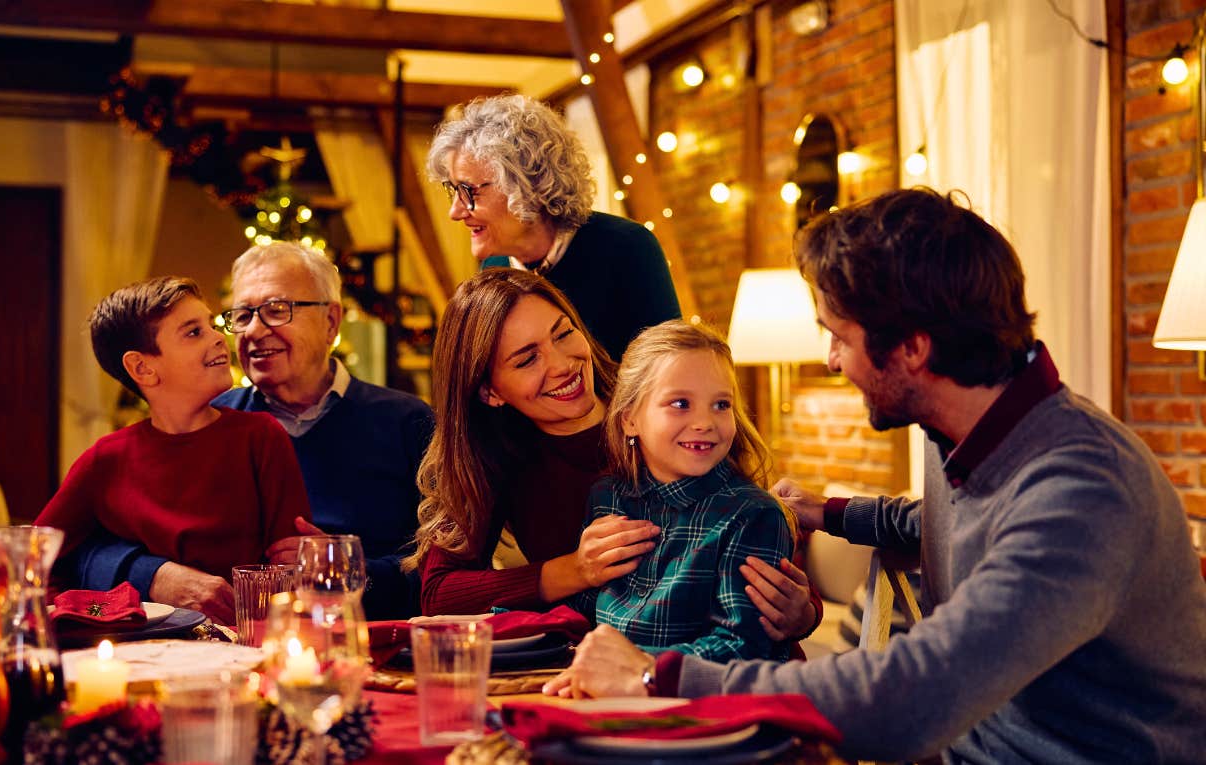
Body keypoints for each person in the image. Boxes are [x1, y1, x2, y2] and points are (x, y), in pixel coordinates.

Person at [545, 188, 1206, 763]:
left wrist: (660, 679)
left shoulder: (1083, 489)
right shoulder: (975, 433)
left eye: (838, 335)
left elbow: (913, 697)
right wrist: (826, 512)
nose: (832, 360)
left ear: (912, 347)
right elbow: (936, 519)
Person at [405, 269, 818, 649]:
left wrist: (807, 609)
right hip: (615, 672)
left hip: (716, 673)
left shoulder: (670, 405)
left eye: (563, 333)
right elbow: (440, 593)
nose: (564, 364)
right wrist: (575, 571)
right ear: (490, 392)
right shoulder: (496, 455)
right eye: (528, 359)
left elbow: (747, 529)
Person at [71, 243, 433, 620]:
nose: (254, 331)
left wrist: (351, 571)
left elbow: (449, 573)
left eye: (277, 310)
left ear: (331, 322)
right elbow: (79, 550)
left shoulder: (407, 422)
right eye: (242, 315)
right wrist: (154, 575)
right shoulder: (205, 421)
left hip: (368, 646)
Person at [36, 277, 312, 624]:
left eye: (212, 324)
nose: (217, 337)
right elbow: (30, 564)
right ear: (143, 368)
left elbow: (290, 570)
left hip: (243, 643)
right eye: (193, 332)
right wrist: (97, 613)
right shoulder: (105, 459)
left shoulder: (261, 436)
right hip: (140, 650)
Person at [562, 320, 798, 667]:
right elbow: (588, 611)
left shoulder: (753, 515)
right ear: (630, 420)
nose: (704, 422)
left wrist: (634, 664)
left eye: (721, 405)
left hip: (705, 706)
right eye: (680, 403)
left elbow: (743, 647)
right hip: (610, 696)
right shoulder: (606, 497)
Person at [426, 94, 681, 362]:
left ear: (527, 184)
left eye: (468, 190)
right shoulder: (495, 269)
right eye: (453, 190)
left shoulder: (626, 247)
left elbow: (669, 373)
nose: (455, 211)